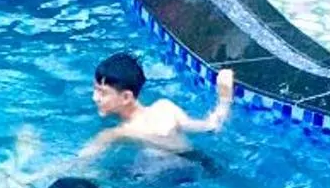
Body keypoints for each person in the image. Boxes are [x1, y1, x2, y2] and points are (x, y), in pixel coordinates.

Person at [80, 54, 236, 159]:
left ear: (126, 97)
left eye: (102, 92)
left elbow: (81, 161)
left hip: (161, 183)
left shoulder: (117, 133)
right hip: (200, 164)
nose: (95, 97)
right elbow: (210, 127)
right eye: (95, 89)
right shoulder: (165, 108)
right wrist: (224, 99)